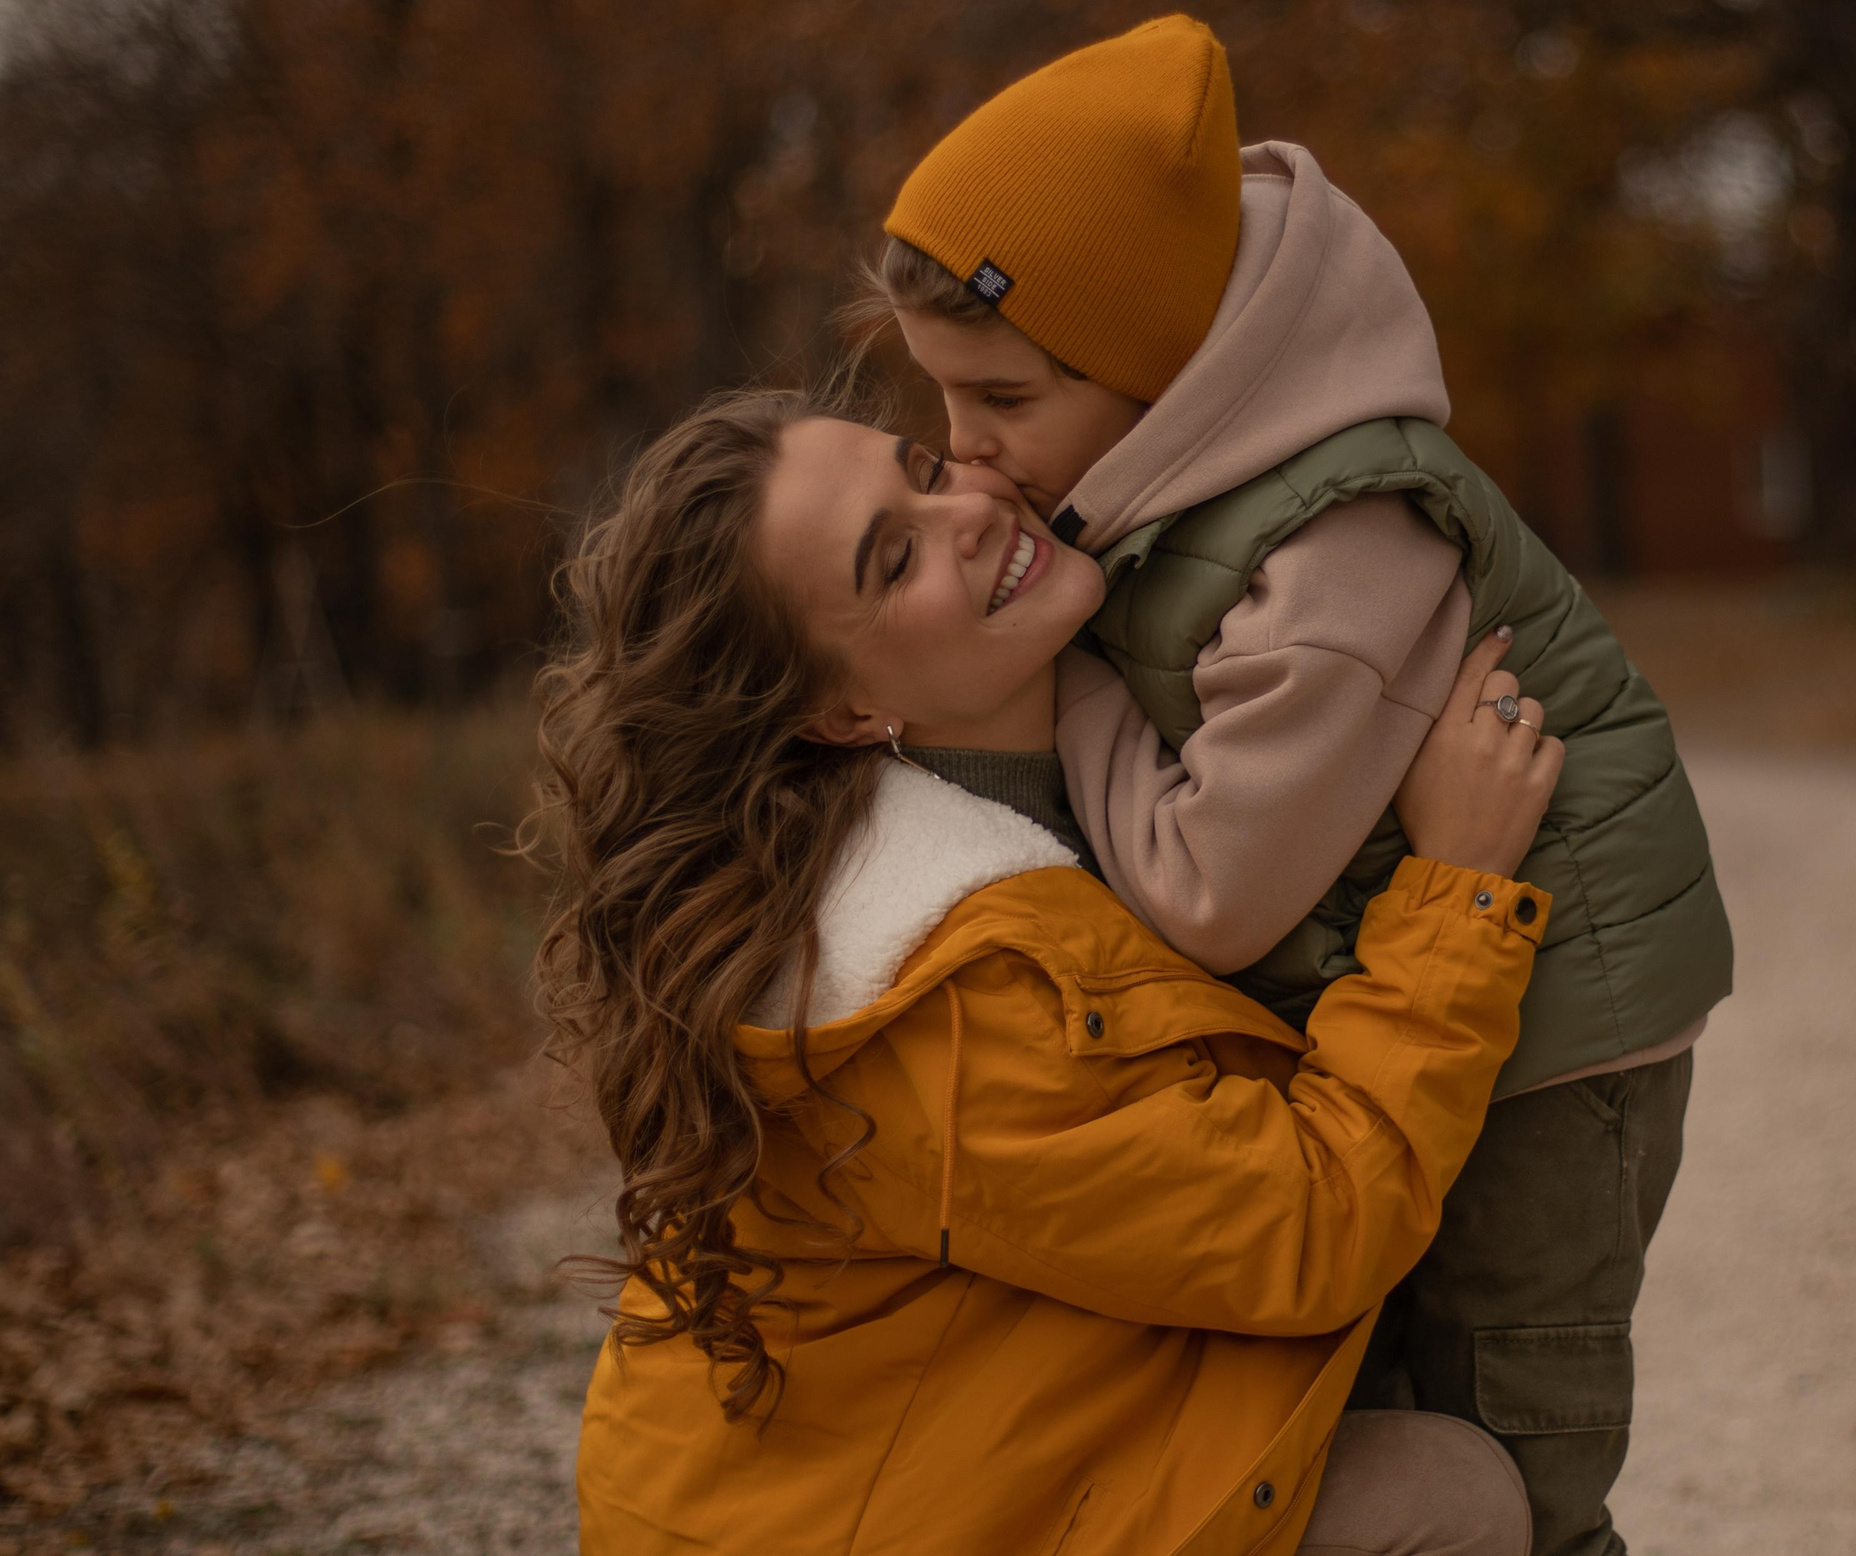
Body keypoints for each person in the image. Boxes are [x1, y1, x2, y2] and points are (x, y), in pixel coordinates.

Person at [856, 15, 1733, 1556]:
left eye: (999, 400)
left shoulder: (1334, 540)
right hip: (1432, 1008)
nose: (968, 450)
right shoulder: (1191, 481)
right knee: (1373, 1402)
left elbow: (1213, 892)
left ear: (1158, 366)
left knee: (1510, 1449)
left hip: (1553, 1043)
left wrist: (1058, 684)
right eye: (943, 402)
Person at [534, 389, 1565, 1555]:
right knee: (1443, 1494)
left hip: (942, 1487)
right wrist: (1456, 890)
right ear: (843, 707)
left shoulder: (1092, 784)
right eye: (893, 557)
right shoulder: (930, 994)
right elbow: (1309, 1223)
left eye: (924, 468)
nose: (964, 509)